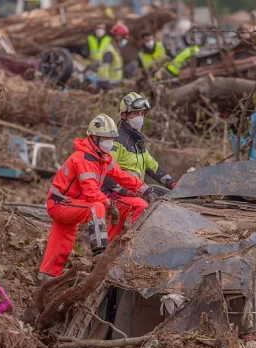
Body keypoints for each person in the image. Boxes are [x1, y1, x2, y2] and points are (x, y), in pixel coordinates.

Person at [38, 114, 154, 282]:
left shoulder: (103, 158)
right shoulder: (83, 159)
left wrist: (144, 189)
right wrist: (110, 204)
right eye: (106, 138)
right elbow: (91, 192)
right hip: (61, 204)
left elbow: (122, 176)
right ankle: (99, 252)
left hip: (70, 204)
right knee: (96, 207)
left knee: (62, 244)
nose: (110, 142)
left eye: (112, 138)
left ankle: (46, 278)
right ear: (94, 137)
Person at [109, 92, 177, 193]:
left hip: (138, 191)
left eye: (142, 114)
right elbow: (107, 171)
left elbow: (151, 165)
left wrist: (171, 183)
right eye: (136, 113)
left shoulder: (138, 140)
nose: (140, 117)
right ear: (124, 115)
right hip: (122, 195)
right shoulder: (117, 140)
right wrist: (124, 192)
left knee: (168, 195)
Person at [97, 23, 128, 91]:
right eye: (123, 37)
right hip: (109, 86)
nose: (124, 40)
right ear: (118, 37)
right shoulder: (110, 51)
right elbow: (104, 69)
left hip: (114, 85)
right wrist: (106, 85)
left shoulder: (115, 50)